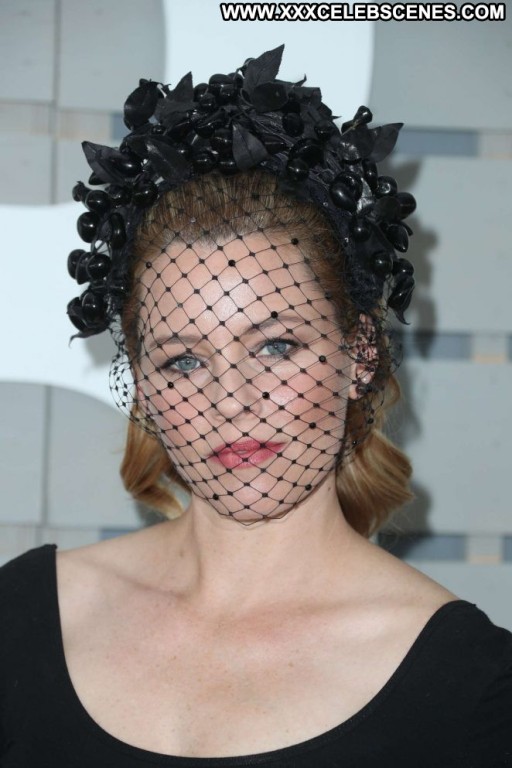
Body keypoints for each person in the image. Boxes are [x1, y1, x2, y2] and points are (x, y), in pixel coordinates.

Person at [1, 46, 511, 766]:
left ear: (360, 353)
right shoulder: (22, 617)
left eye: (275, 346)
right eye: (183, 360)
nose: (231, 403)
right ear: (142, 382)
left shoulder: (472, 688)